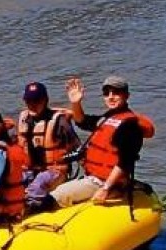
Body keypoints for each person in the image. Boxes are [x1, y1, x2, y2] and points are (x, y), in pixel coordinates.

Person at [49, 75, 151, 208]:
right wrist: (76, 103)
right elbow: (82, 121)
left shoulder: (130, 125)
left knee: (57, 196)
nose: (111, 96)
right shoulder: (108, 118)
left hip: (104, 183)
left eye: (116, 92)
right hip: (94, 178)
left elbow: (125, 161)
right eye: (106, 93)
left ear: (126, 95)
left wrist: (105, 189)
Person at [16, 81, 79, 212]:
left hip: (55, 171)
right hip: (31, 170)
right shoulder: (24, 119)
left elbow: (77, 148)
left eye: (37, 101)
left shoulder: (59, 122)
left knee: (40, 181)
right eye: (29, 101)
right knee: (15, 179)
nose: (32, 105)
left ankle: (28, 211)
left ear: (45, 100)